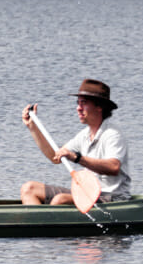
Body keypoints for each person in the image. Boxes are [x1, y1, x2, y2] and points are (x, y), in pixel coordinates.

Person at [19, 77, 132, 206]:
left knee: (59, 200)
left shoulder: (113, 134)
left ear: (99, 107)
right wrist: (33, 127)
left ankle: (47, 223)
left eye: (84, 103)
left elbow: (114, 167)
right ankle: (38, 225)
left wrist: (77, 158)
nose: (78, 108)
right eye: (78, 103)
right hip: (87, 192)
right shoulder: (83, 136)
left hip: (112, 197)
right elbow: (55, 157)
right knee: (28, 189)